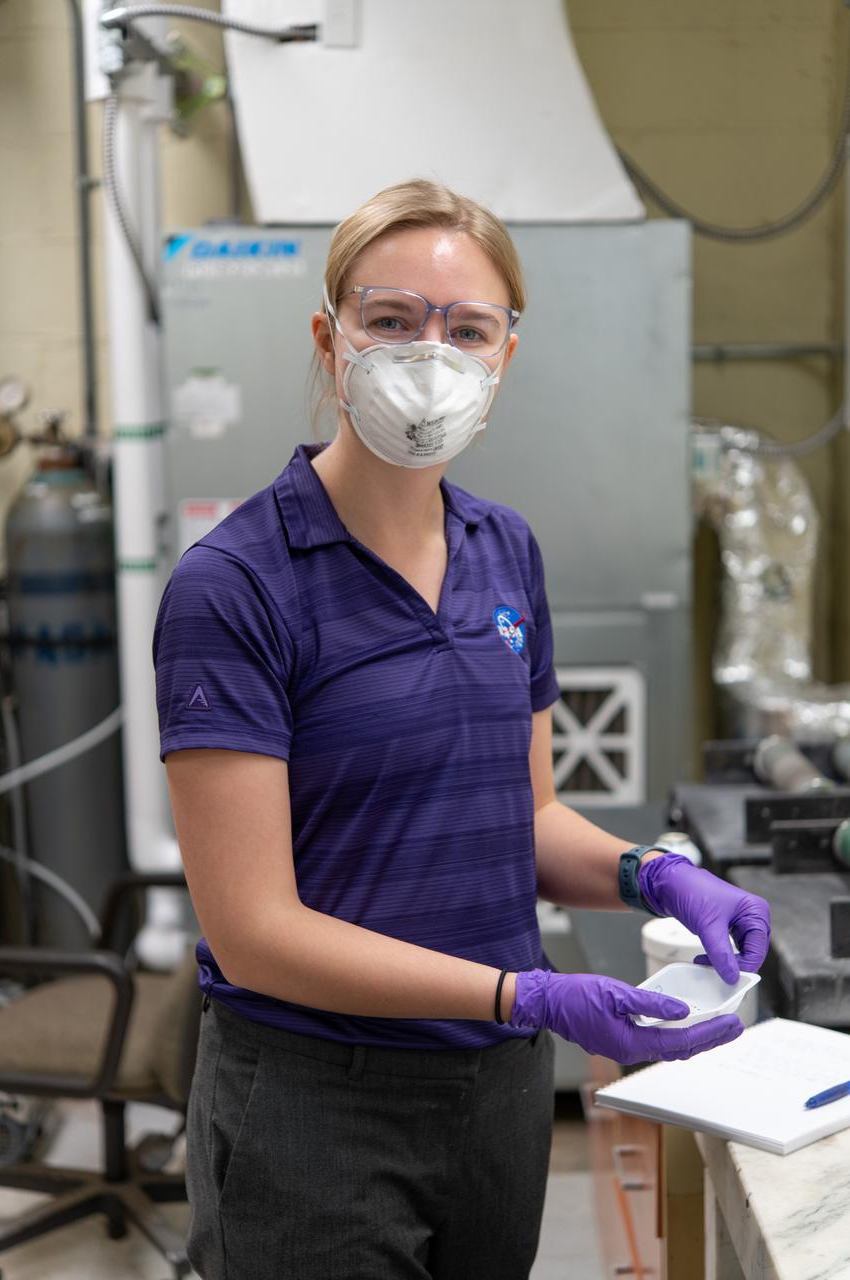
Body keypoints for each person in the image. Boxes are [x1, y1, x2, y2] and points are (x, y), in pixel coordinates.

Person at [153, 179, 771, 1280]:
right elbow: (253, 930)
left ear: (503, 358)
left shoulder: (504, 551)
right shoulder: (235, 585)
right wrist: (527, 991)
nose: (428, 355)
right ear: (329, 339)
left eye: (467, 329)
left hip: (494, 1097)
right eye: (391, 319)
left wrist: (655, 876)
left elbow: (524, 817)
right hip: (315, 1104)